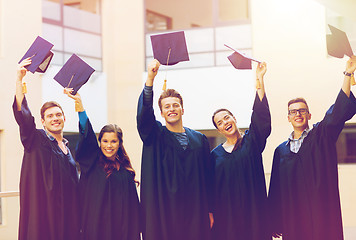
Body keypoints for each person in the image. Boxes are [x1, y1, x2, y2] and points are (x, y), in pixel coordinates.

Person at [268, 56, 356, 240]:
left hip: (321, 213)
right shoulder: (281, 151)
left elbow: (338, 111)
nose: (297, 114)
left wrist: (348, 73)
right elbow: (276, 188)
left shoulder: (321, 136)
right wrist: (275, 221)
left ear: (308, 114)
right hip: (294, 216)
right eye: (293, 111)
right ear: (288, 118)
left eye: (301, 110)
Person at [137, 59, 214, 240]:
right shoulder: (154, 136)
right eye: (167, 107)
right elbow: (144, 116)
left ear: (182, 109)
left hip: (195, 213)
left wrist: (211, 210)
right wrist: (150, 78)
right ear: (161, 113)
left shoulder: (199, 140)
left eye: (175, 105)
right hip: (164, 214)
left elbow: (209, 178)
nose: (172, 109)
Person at [13, 58, 80, 240]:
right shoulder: (36, 140)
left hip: (67, 222)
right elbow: (23, 117)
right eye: (50, 116)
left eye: (58, 115)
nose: (55, 118)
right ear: (43, 122)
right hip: (44, 221)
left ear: (64, 118)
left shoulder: (67, 150)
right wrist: (19, 81)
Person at [64, 89, 140, 240]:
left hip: (123, 232)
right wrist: (80, 108)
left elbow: (133, 208)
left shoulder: (125, 170)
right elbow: (87, 136)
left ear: (119, 143)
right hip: (98, 230)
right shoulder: (93, 163)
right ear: (100, 143)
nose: (109, 146)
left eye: (113, 141)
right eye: (105, 141)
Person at [211, 62, 271, 240]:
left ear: (235, 119)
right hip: (227, 219)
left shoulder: (251, 141)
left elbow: (260, 118)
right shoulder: (215, 155)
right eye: (219, 123)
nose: (225, 123)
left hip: (254, 215)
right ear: (219, 130)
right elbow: (210, 188)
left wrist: (259, 79)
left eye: (227, 117)